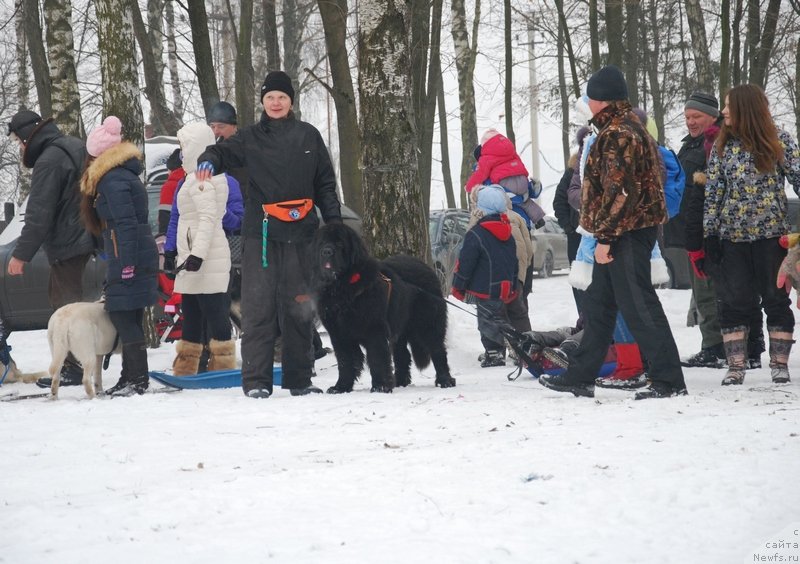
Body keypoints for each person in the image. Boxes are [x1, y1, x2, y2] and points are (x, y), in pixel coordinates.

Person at [539, 65, 687, 400]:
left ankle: (668, 379)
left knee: (639, 305)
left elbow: (620, 192)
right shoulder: (626, 126)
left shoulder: (618, 133)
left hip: (626, 232)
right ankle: (581, 376)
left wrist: (605, 239)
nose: (587, 103)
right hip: (626, 229)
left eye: (590, 97)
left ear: (601, 100)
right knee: (600, 305)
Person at [196, 70, 342, 398]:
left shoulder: (308, 135)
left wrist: (333, 226)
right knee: (258, 308)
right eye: (270, 97)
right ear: (263, 101)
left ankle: (300, 379)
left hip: (302, 235)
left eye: (282, 97)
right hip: (260, 236)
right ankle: (257, 382)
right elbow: (222, 152)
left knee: (299, 307)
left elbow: (325, 185)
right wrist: (208, 159)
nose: (276, 103)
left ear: (291, 101)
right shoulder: (249, 137)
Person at [703, 84, 800, 385]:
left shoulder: (779, 140)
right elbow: (714, 192)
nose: (723, 112)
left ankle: (779, 364)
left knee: (775, 299)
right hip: (731, 238)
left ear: (745, 108)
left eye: (728, 105)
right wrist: (709, 234)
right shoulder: (723, 146)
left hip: (772, 237)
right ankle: (736, 365)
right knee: (733, 301)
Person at [6, 110, 95, 388]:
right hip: (87, 234)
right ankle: (74, 363)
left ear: (27, 137)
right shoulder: (75, 146)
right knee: (69, 302)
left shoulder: (48, 161)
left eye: (18, 142)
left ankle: (73, 367)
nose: (20, 148)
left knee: (65, 306)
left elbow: (39, 213)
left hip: (68, 241)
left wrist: (21, 254)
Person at [678, 91, 765, 369]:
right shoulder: (691, 145)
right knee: (703, 292)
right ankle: (716, 344)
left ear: (713, 116)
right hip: (693, 228)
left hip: (715, 230)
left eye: (696, 116)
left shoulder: (718, 142)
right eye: (687, 117)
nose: (691, 122)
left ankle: (721, 347)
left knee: (714, 291)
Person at [78, 116, 159, 396]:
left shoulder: (111, 180)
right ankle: (131, 377)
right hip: (129, 250)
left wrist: (127, 263)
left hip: (127, 253)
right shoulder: (122, 174)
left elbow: (125, 223)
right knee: (129, 314)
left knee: (122, 314)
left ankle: (137, 379)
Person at [166, 122, 238, 376]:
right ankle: (187, 367)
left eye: (184, 147)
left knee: (215, 313)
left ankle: (223, 366)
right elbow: (181, 219)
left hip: (207, 259)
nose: (181, 153)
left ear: (195, 147)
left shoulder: (202, 180)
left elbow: (208, 219)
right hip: (192, 257)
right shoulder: (191, 178)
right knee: (192, 313)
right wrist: (172, 251)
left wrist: (197, 255)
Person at [452, 184, 518, 368]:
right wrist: (512, 285)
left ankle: (495, 352)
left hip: (484, 286)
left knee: (486, 321)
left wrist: (459, 285)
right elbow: (514, 262)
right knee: (497, 317)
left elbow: (466, 262)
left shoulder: (476, 234)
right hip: (503, 285)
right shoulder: (508, 234)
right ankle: (505, 347)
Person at [554, 126, 591, 314]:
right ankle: (584, 318)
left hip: (596, 236)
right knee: (579, 280)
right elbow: (559, 201)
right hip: (577, 236)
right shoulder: (572, 172)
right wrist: (569, 227)